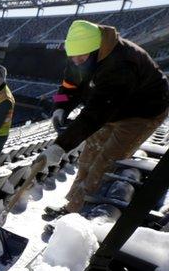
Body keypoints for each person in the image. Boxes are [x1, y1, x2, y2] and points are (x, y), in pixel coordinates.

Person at [38, 20, 169, 217]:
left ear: (96, 50)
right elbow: (67, 86)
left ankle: (77, 214)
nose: (76, 62)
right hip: (112, 106)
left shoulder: (122, 63)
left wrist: (61, 145)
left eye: (81, 58)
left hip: (142, 113)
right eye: (73, 58)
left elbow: (96, 112)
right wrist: (60, 108)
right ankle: (72, 206)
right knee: (88, 157)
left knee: (105, 162)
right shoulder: (79, 54)